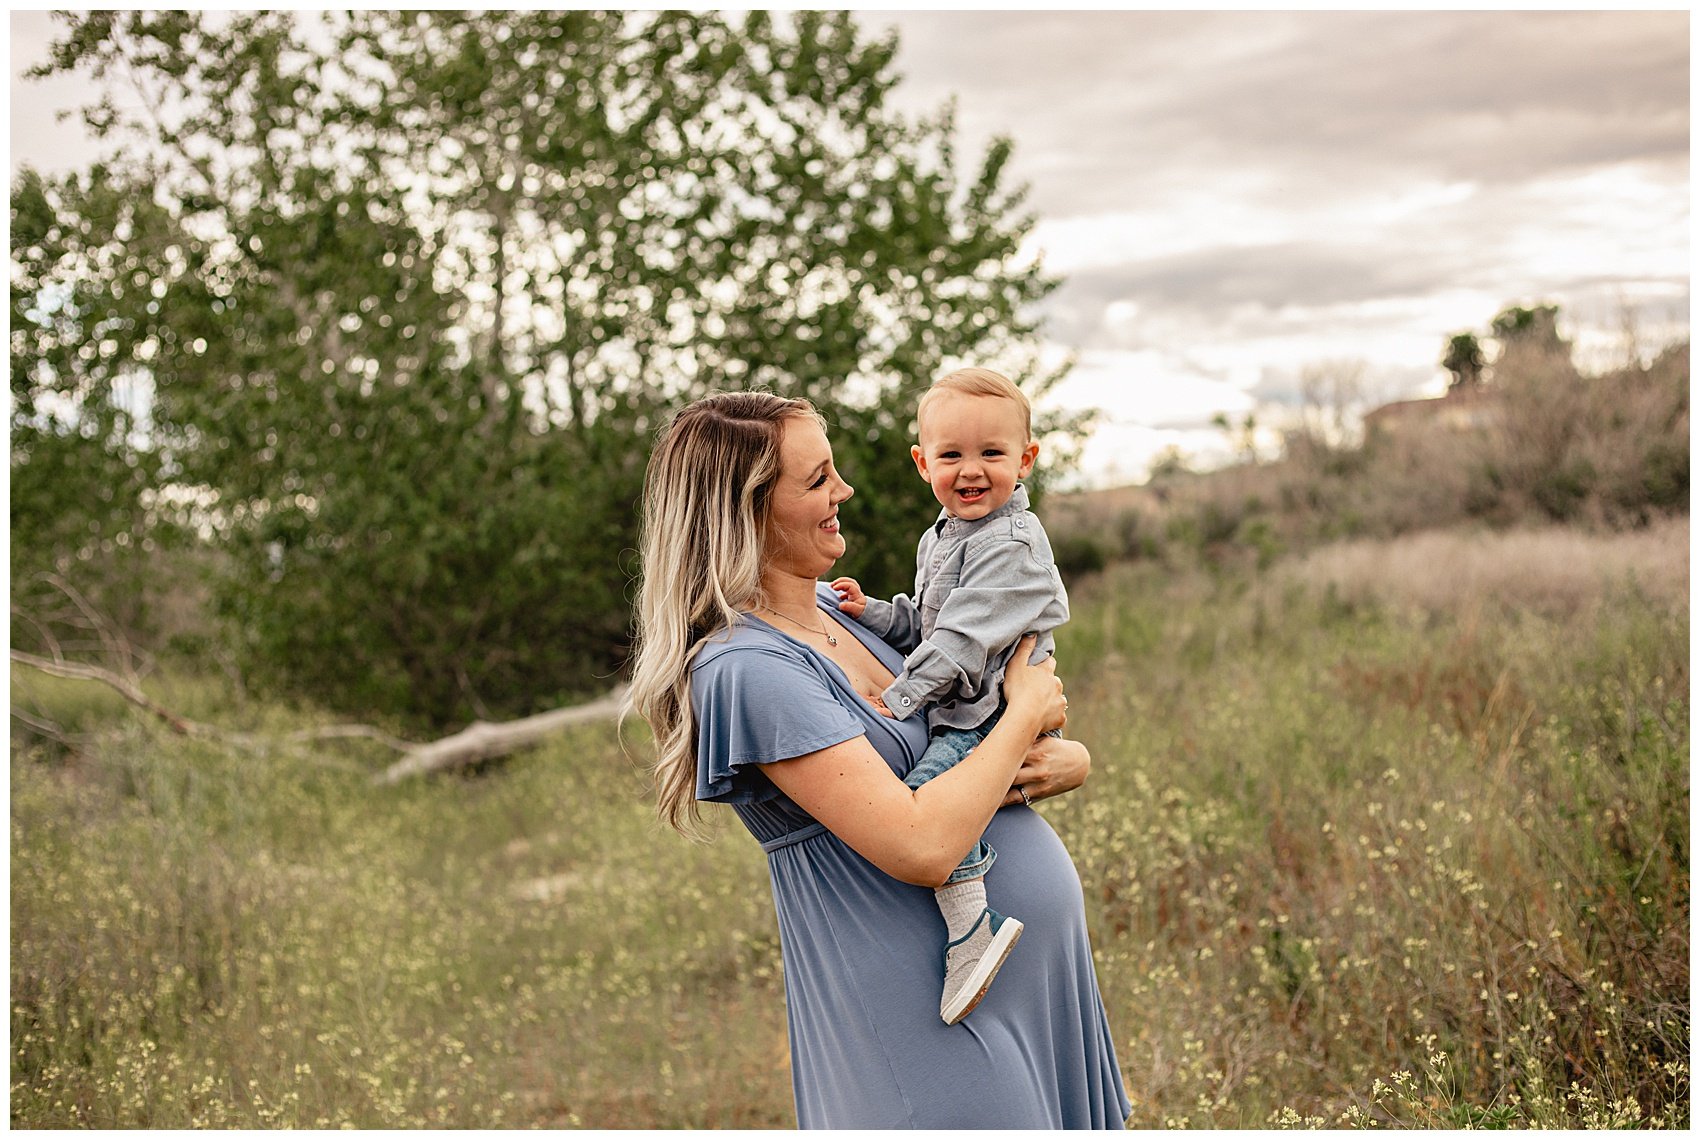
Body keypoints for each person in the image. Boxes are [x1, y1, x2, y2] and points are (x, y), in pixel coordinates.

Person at [628, 390, 1131, 1129]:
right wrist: (1027, 714)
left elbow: (967, 732)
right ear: (749, 511)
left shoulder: (837, 611)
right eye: (817, 479)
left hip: (1025, 988)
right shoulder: (745, 669)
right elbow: (922, 842)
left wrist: (1066, 756)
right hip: (924, 1010)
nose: (845, 491)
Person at [828, 367, 1069, 1025]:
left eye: (992, 453)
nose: (971, 470)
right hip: (971, 706)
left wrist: (900, 699)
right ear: (921, 462)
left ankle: (972, 930)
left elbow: (960, 642)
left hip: (987, 715)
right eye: (951, 455)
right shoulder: (942, 536)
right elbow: (927, 624)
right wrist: (875, 613)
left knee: (925, 801)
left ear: (1025, 459)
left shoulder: (1012, 542)